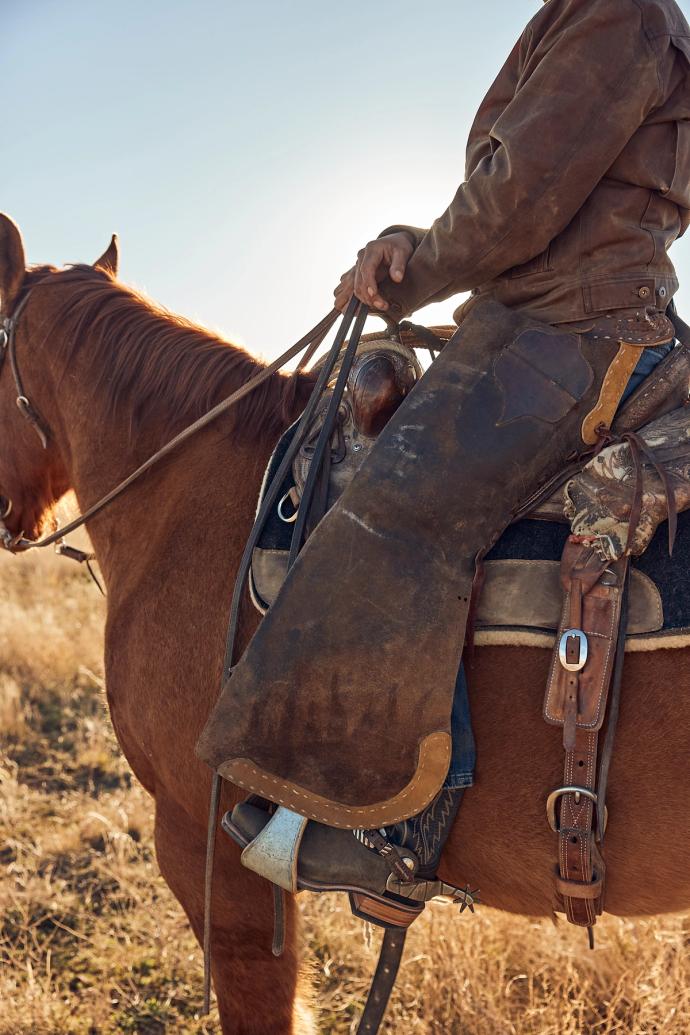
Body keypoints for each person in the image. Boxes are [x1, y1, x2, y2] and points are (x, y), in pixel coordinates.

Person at [206, 0, 690, 918]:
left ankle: (390, 829)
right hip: (536, 317)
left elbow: (524, 195)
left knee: (393, 510)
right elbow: (514, 188)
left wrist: (416, 268)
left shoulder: (618, 10)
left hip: (574, 329)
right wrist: (411, 244)